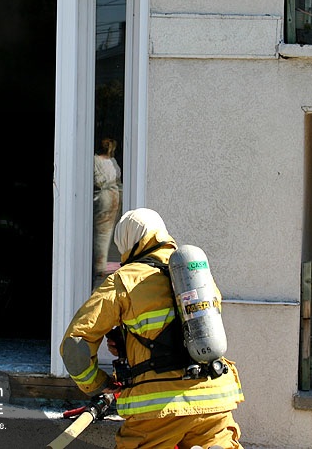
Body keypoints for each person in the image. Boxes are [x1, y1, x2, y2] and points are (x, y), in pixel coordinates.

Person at [60, 208, 244, 449]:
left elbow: (75, 345)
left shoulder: (124, 280)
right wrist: (129, 344)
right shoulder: (195, 274)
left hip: (157, 406)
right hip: (214, 396)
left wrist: (98, 384)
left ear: (127, 241)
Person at [93, 137, 122, 278]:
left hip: (106, 196)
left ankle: (99, 265)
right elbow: (117, 177)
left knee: (102, 232)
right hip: (113, 195)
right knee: (106, 232)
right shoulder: (111, 161)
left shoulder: (97, 160)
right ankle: (100, 264)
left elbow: (98, 180)